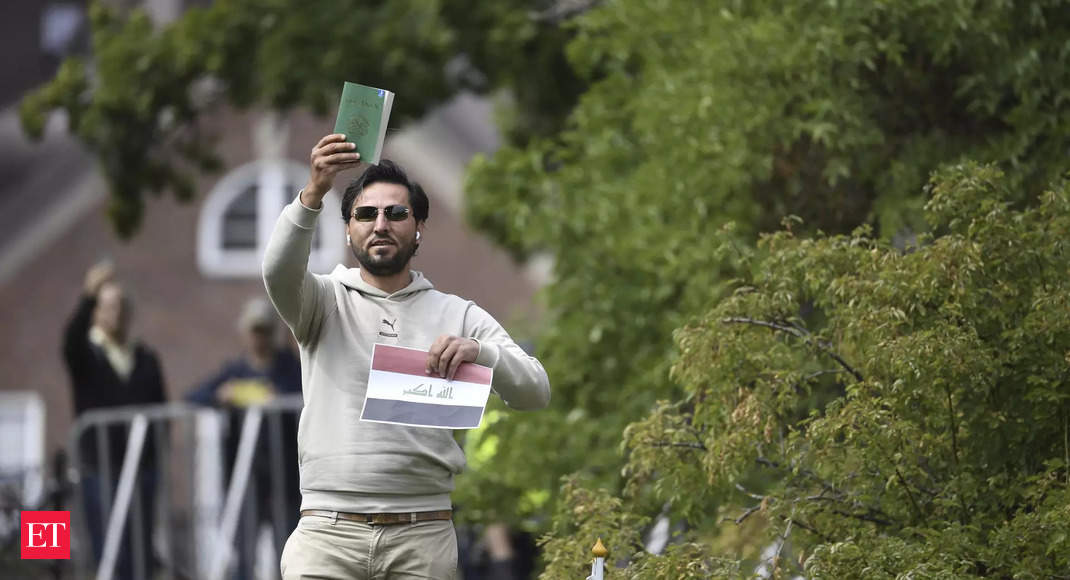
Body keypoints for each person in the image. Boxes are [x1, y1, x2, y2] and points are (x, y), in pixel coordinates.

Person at [264, 135, 551, 579]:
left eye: (396, 213)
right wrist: (314, 192)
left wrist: (482, 353)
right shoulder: (321, 300)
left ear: (418, 228)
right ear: (348, 230)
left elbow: (536, 391)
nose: (380, 224)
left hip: (423, 535)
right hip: (327, 533)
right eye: (366, 214)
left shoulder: (458, 314)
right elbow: (277, 271)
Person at [186, 296, 302, 579]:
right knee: (244, 556)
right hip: (246, 479)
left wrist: (279, 397)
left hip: (284, 480)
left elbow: (309, 393)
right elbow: (193, 396)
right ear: (245, 332)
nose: (259, 338)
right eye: (254, 330)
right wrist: (221, 395)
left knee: (288, 555)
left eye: (265, 330)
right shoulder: (235, 371)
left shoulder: (290, 368)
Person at [63, 261, 166, 579]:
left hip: (141, 470)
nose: (115, 313)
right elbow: (70, 342)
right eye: (107, 306)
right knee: (111, 555)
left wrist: (155, 456)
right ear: (95, 312)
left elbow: (161, 410)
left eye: (120, 306)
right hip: (100, 470)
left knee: (140, 556)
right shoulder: (87, 355)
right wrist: (88, 294)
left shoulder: (145, 357)